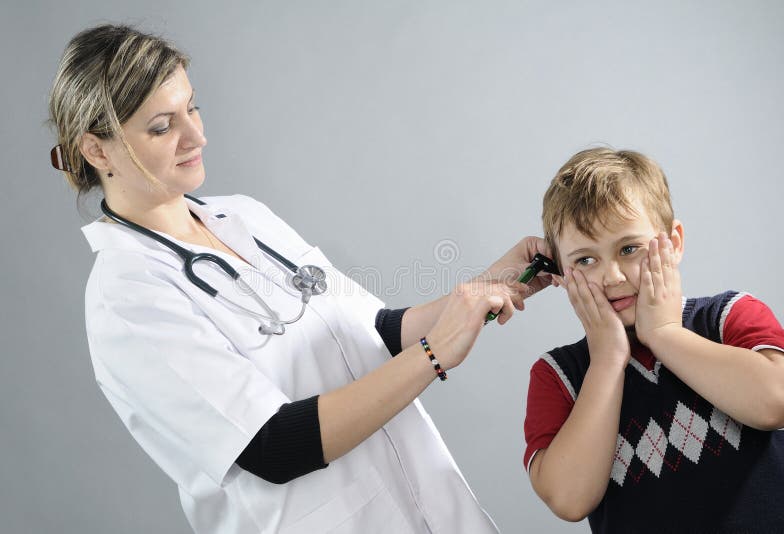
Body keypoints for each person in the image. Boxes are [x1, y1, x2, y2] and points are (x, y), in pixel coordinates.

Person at [48, 24, 552, 534]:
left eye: (192, 108)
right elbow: (272, 446)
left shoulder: (243, 216)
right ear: (97, 151)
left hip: (436, 511)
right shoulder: (127, 295)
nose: (197, 136)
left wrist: (491, 283)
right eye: (162, 126)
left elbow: (372, 333)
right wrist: (435, 354)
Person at [522, 147, 784, 533]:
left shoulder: (729, 316)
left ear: (674, 243)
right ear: (560, 273)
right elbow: (568, 498)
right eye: (585, 260)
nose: (611, 276)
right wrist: (608, 359)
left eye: (629, 249)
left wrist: (663, 334)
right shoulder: (558, 375)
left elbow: (774, 401)